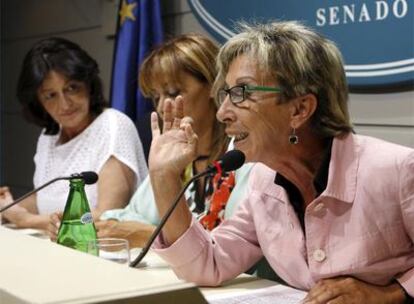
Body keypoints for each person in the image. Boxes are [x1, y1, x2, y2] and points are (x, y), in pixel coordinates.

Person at [147, 21, 414, 303]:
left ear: (299, 109)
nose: (222, 113)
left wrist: (388, 294)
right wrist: (164, 177)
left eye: (241, 93)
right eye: (225, 94)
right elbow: (206, 265)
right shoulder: (263, 181)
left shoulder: (397, 170)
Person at [47, 34, 252, 248]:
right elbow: (127, 216)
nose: (163, 106)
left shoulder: (243, 155)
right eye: (156, 97)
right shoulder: (177, 158)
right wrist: (82, 223)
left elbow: (234, 246)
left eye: (173, 93)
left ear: (214, 85)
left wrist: (149, 235)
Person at [0, 37, 148, 230]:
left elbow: (107, 216)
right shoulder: (49, 136)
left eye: (72, 88)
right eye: (50, 95)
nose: (65, 104)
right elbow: (44, 199)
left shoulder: (114, 125)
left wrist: (25, 220)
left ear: (88, 83)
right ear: (38, 102)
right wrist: (8, 207)